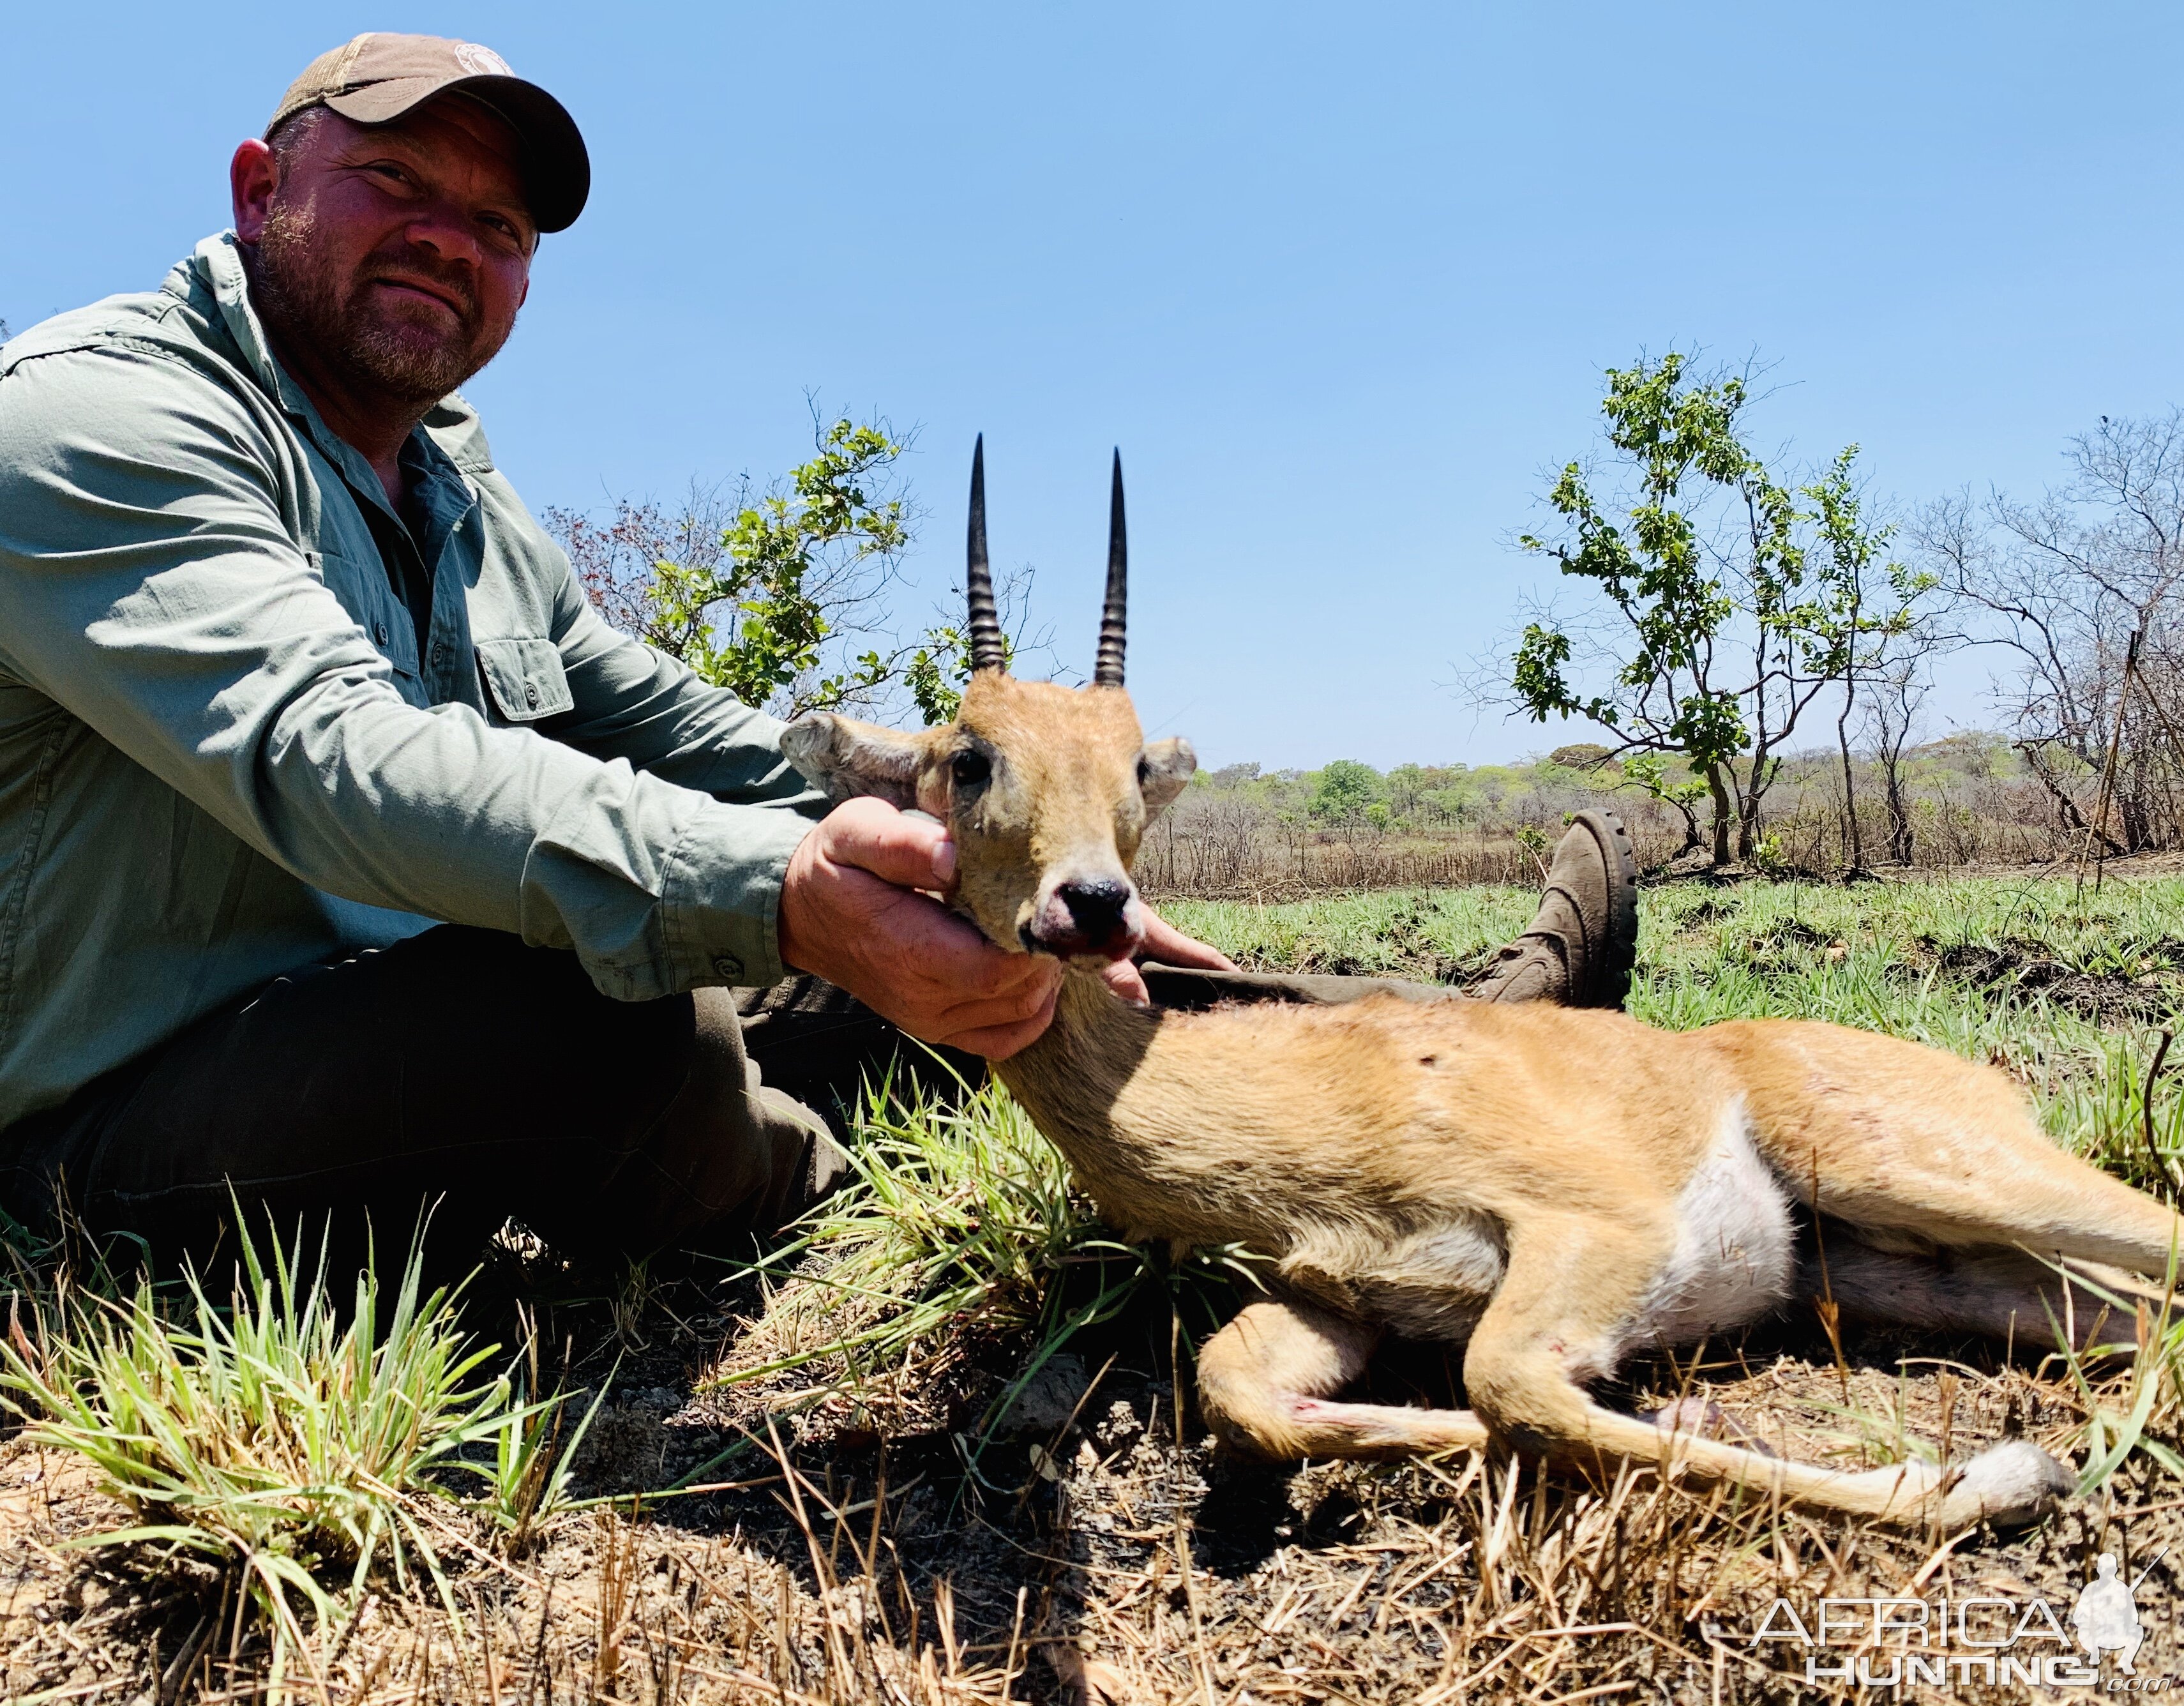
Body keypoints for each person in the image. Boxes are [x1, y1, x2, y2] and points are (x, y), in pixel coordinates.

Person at [0, 34, 1639, 1276]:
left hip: (381, 1025)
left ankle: (1453, 1027)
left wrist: (975, 840)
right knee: (613, 1013)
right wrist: (784, 893)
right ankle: (827, 1196)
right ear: (255, 188)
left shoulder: (450, 477)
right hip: (114, 1126)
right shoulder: (100, 421)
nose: (451, 241)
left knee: (949, 922)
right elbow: (333, 755)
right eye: (399, 188)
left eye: (496, 224)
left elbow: (657, 716)